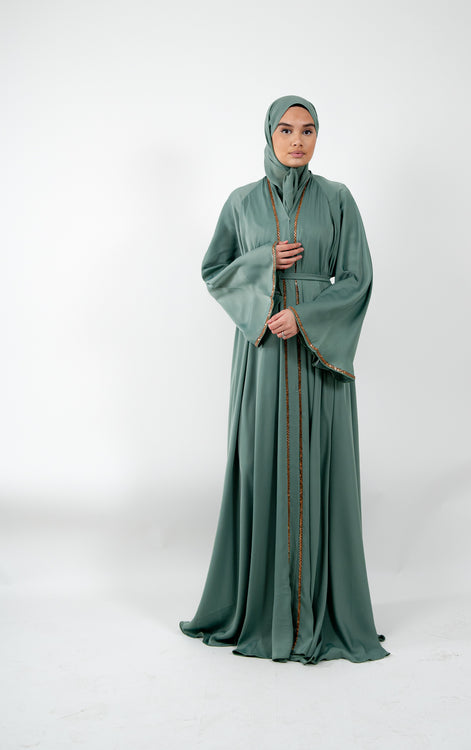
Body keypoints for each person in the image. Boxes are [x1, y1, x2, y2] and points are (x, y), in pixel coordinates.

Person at [179, 94, 390, 664]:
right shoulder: (241, 202)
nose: (298, 140)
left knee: (321, 467)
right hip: (265, 355)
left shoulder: (338, 199)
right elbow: (214, 271)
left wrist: (307, 315)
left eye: (308, 130)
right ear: (269, 134)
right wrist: (263, 261)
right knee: (261, 464)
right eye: (287, 130)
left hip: (319, 357)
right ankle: (258, 608)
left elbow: (359, 278)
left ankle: (324, 610)